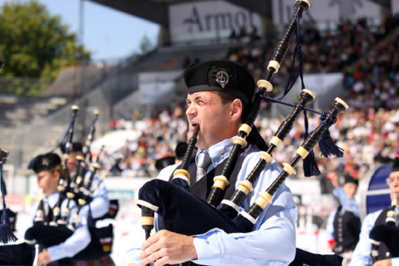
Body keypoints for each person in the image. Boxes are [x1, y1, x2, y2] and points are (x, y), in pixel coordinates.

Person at [124, 60, 297, 265]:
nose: (189, 111)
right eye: (189, 102)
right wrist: (134, 260)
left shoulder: (257, 167)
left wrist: (195, 247)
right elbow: (142, 241)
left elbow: (282, 244)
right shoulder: (169, 174)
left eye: (200, 101)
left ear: (234, 110)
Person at [26, 152, 114, 266]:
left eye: (41, 177)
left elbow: (83, 236)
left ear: (56, 175)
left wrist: (51, 254)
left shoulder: (72, 203)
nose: (38, 182)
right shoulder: (36, 207)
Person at [349, 157, 399, 265]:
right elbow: (361, 257)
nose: (395, 184)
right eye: (391, 180)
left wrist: (392, 263)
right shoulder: (372, 219)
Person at [326, 173, 361, 265]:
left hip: (353, 252)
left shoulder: (356, 207)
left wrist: (337, 185)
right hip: (338, 252)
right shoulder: (337, 210)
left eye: (355, 188)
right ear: (344, 188)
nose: (353, 190)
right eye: (350, 187)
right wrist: (331, 240)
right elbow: (330, 228)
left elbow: (347, 202)